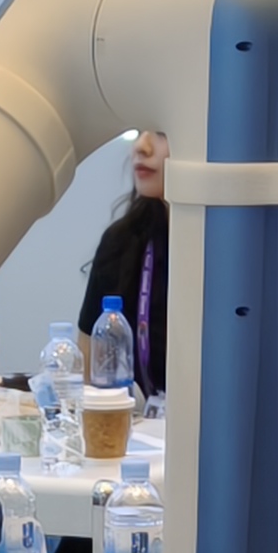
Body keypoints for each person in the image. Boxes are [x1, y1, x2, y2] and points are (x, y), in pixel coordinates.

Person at [72, 130, 171, 396]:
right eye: (140, 130)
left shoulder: (234, 251)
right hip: (139, 418)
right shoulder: (121, 240)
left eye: (160, 133)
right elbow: (88, 372)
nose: (141, 146)